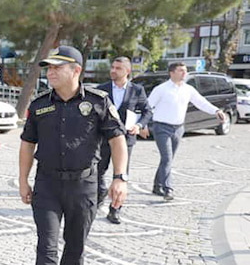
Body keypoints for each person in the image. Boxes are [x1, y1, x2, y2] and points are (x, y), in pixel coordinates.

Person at [18, 46, 127, 265]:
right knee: (47, 245)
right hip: (48, 185)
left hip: (84, 185)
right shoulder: (40, 104)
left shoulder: (98, 102)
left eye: (57, 67)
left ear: (75, 70)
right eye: (48, 68)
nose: (50, 72)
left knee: (76, 241)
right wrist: (22, 180)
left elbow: (118, 140)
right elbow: (27, 143)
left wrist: (120, 177)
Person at [148, 61, 226, 201]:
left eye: (185, 71)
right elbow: (148, 107)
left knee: (168, 159)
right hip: (161, 127)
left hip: (178, 128)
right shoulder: (161, 89)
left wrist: (216, 110)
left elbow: (201, 102)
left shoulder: (188, 89)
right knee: (167, 158)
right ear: (172, 73)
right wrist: (140, 125)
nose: (184, 73)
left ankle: (157, 185)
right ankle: (168, 189)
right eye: (181, 71)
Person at [96, 56, 153, 223]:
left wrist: (140, 125)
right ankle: (99, 195)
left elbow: (147, 111)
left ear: (127, 71)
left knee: (121, 175)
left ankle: (115, 209)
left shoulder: (137, 90)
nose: (113, 70)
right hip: (104, 138)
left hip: (126, 139)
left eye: (118, 68)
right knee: (98, 170)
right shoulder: (102, 89)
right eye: (112, 67)